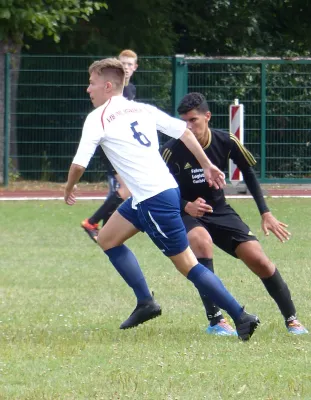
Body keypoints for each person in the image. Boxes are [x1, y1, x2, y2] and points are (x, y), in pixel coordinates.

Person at [64, 58, 260, 341]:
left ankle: (241, 317)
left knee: (187, 264)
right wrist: (206, 163)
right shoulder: (142, 109)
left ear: (107, 86)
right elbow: (183, 132)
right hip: (154, 193)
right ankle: (146, 302)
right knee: (107, 238)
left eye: (92, 83)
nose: (88, 89)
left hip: (153, 198)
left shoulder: (98, 118)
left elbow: (79, 164)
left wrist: (70, 187)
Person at [160, 92, 308, 336]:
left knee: (259, 260)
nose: (187, 126)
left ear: (207, 117)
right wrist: (186, 205)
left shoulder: (226, 140)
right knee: (201, 242)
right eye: (183, 121)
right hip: (186, 212)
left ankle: (292, 319)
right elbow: (158, 188)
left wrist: (265, 213)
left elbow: (248, 173)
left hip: (219, 210)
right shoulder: (171, 149)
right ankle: (216, 320)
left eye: (193, 120)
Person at [81, 49, 138, 242]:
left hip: (122, 147)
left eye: (130, 65)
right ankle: (92, 222)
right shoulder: (112, 91)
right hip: (112, 146)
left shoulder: (130, 90)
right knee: (125, 189)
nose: (127, 68)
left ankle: (104, 230)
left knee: (122, 190)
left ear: (135, 67)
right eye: (123, 64)